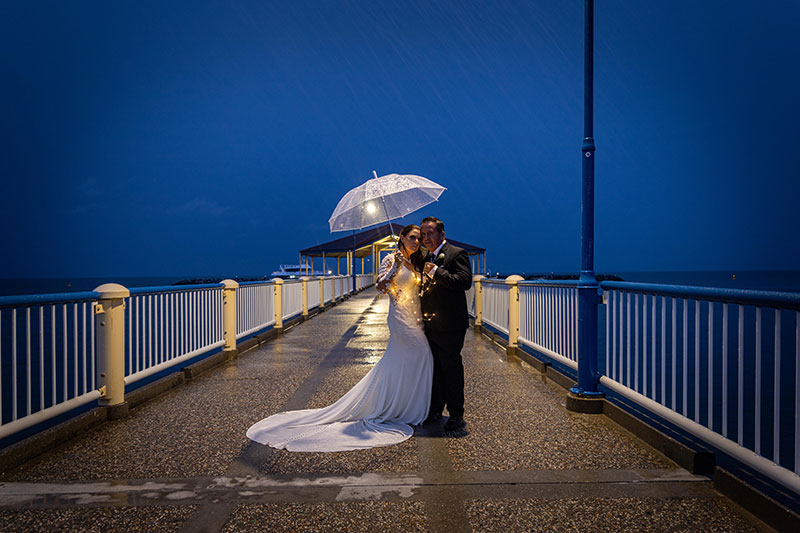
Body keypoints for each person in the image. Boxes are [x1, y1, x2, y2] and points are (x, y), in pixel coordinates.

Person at [246, 224, 432, 451]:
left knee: (406, 361)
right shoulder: (390, 259)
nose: (416, 241)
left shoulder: (417, 262)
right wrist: (394, 269)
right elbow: (380, 287)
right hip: (400, 318)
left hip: (416, 316)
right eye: (412, 237)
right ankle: (394, 407)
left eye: (419, 238)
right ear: (401, 238)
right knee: (423, 356)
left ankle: (404, 406)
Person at [418, 216, 473, 432]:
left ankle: (456, 415)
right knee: (436, 370)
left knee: (451, 370)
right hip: (431, 324)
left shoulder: (456, 253)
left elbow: (464, 281)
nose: (426, 237)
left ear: (442, 234)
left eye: (430, 233)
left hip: (450, 324)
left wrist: (436, 272)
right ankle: (435, 410)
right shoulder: (425, 257)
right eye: (423, 234)